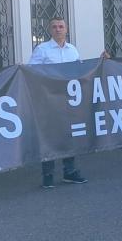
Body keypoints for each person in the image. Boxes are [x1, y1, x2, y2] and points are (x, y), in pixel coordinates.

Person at [28, 17, 99, 189]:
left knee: (69, 134)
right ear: (50, 30)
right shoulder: (42, 50)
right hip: (49, 101)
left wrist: (100, 61)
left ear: (66, 29)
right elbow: (32, 72)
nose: (58, 29)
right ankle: (48, 174)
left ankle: (70, 172)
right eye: (54, 27)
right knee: (50, 136)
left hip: (68, 101)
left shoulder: (72, 50)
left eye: (61, 26)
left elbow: (79, 71)